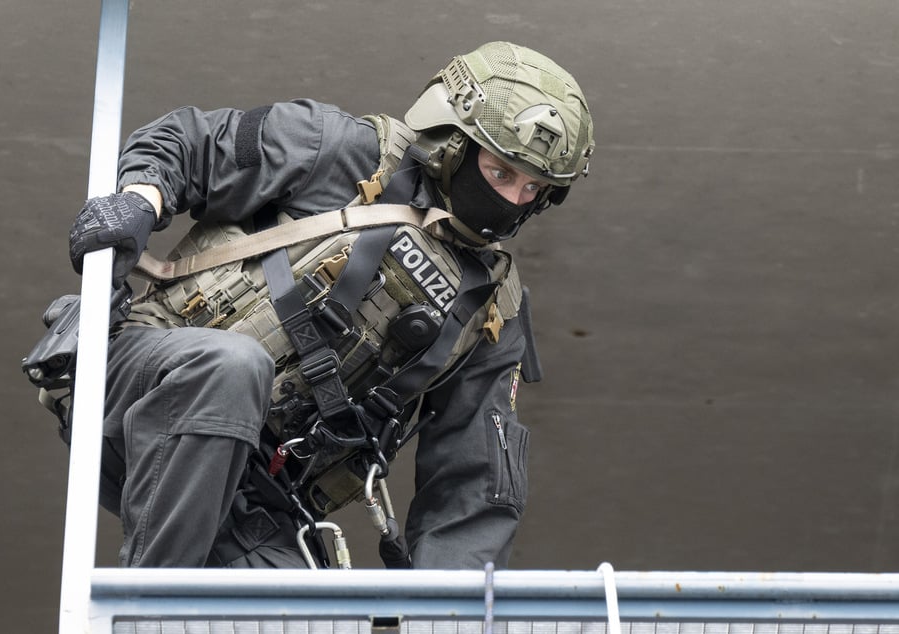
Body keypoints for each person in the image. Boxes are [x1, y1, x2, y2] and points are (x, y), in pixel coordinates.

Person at [66, 41, 595, 570]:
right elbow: (190, 144)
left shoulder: (490, 306)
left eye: (535, 190)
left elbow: (472, 489)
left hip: (250, 497)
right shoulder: (341, 149)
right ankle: (150, 607)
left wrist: (446, 614)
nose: (514, 201)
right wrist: (138, 200)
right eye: (502, 173)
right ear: (454, 142)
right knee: (232, 366)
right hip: (135, 391)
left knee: (322, 611)